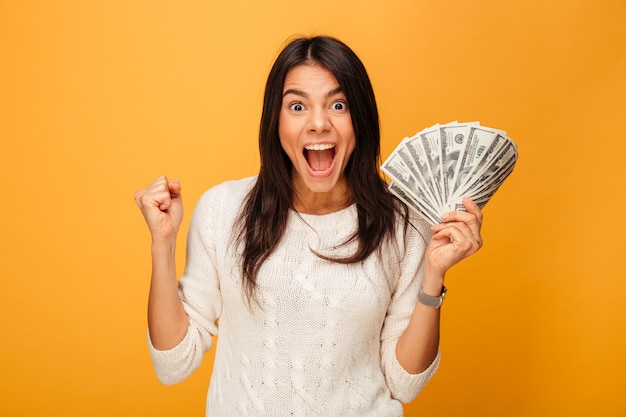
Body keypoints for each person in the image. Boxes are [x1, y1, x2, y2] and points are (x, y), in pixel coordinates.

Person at [134, 35, 483, 416]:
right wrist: (162, 243)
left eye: (338, 104)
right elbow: (173, 364)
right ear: (276, 120)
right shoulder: (223, 209)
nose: (319, 123)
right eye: (297, 106)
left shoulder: (403, 224)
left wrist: (433, 275)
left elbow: (405, 383)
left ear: (360, 119)